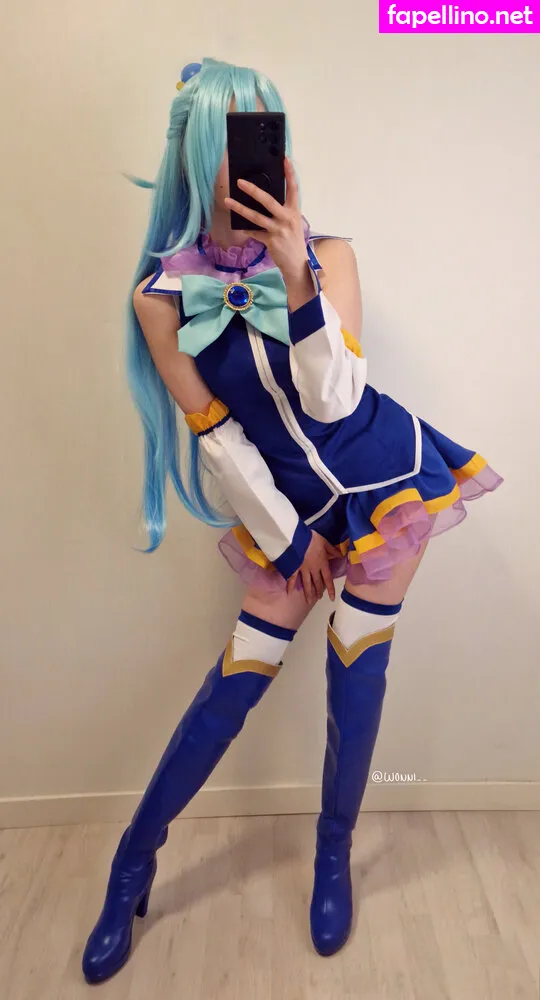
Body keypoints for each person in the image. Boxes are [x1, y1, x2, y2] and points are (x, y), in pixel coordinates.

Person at [82, 56, 502, 984]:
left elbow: (336, 400)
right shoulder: (158, 297)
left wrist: (295, 269)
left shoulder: (330, 255)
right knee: (233, 687)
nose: (254, 156)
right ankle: (132, 863)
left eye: (264, 130)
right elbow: (217, 434)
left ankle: (332, 854)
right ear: (197, 152)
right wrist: (287, 537)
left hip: (387, 483)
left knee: (357, 677)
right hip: (290, 511)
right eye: (234, 135)